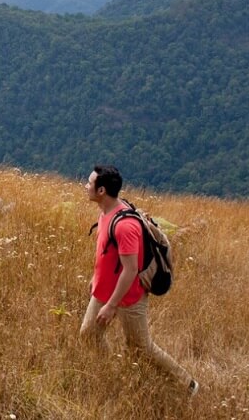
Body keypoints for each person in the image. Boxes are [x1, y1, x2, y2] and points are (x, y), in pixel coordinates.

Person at [79, 164, 199, 395]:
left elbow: (131, 270)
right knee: (89, 335)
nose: (86, 186)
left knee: (141, 348)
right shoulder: (106, 211)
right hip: (104, 291)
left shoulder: (125, 226)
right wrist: (96, 278)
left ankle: (187, 385)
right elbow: (106, 253)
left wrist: (112, 305)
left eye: (89, 182)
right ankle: (113, 377)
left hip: (128, 297)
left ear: (101, 190)